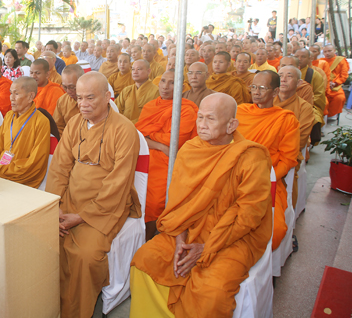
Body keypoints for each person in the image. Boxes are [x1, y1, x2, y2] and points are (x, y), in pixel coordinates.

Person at [130, 93, 272, 318]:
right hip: (187, 230)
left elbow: (249, 216)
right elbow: (177, 204)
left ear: (231, 125)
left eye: (210, 119)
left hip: (232, 238)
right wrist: (180, 240)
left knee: (212, 293)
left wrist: (206, 248)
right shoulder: (189, 150)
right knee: (145, 260)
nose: (202, 125)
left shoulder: (251, 157)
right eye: (200, 117)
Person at [46, 71, 141, 318]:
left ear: (107, 97)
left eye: (90, 98)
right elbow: (59, 167)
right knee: (46, 240)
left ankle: (76, 312)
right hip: (70, 199)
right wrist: (55, 205)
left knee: (85, 256)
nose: (83, 104)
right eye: (79, 98)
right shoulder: (74, 123)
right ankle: (48, 306)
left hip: (105, 207)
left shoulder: (125, 130)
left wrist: (80, 217)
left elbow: (119, 183)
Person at [237, 71, 300, 250]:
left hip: (266, 179)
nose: (256, 92)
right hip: (233, 175)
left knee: (274, 229)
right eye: (253, 87)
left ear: (275, 92)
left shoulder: (286, 119)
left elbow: (288, 160)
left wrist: (267, 179)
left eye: (262, 88)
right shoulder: (240, 111)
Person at [135, 70, 198, 240]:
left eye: (172, 83)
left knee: (156, 202)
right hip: (146, 157)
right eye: (163, 81)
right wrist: (160, 145)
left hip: (169, 162)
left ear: (182, 87)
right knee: (137, 198)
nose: (165, 86)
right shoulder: (150, 107)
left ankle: (151, 237)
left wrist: (151, 136)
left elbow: (175, 140)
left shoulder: (186, 110)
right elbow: (139, 136)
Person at [0, 76, 51, 188]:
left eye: (16, 94)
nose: (11, 98)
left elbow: (36, 161)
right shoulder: (9, 116)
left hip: (19, 178)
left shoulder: (41, 122)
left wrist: (2, 172)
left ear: (30, 96)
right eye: (10, 93)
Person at [276, 65, 314, 208]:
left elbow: (299, 140)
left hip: (286, 156)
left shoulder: (304, 108)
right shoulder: (266, 102)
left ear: (299, 83)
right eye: (280, 76)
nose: (283, 79)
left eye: (289, 76)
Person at [292, 50, 327, 141]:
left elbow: (319, 95)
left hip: (309, 105)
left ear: (309, 59)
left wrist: (302, 104)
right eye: (297, 56)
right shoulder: (287, 74)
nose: (299, 59)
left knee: (312, 118)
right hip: (289, 104)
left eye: (303, 57)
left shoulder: (315, 75)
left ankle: (307, 141)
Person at [53, 64, 84, 137]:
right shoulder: (62, 101)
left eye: (72, 87)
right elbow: (58, 127)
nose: (68, 91)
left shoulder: (93, 100)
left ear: (82, 81)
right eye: (65, 87)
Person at [321, 44, 349, 117]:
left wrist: (335, 83)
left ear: (334, 50)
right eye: (325, 51)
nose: (327, 53)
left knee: (340, 98)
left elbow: (344, 75)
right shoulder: (321, 61)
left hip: (335, 86)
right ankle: (322, 114)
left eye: (329, 51)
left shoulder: (341, 60)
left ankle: (330, 114)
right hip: (323, 86)